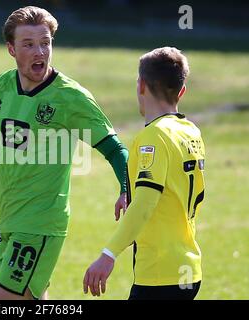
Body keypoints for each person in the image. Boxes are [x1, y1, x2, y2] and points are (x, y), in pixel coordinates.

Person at [0, 6, 128, 300]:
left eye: (45, 43)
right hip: (5, 219)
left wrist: (126, 186)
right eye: (29, 44)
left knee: (2, 301)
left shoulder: (71, 97)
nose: (40, 52)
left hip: (40, 224)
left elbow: (114, 148)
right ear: (11, 49)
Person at [83, 47, 206, 300]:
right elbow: (168, 190)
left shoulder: (153, 136)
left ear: (141, 86)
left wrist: (108, 255)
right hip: (188, 267)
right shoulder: (190, 132)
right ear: (181, 91)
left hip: (161, 273)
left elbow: (146, 204)